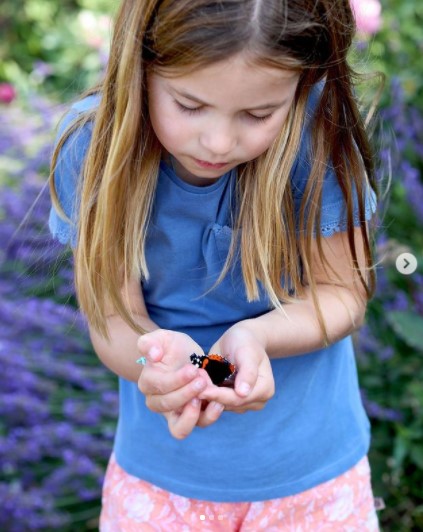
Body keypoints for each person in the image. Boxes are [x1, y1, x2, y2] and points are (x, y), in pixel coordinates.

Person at [49, 0, 381, 529]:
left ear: (304, 84)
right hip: (160, 486)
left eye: (257, 114)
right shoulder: (93, 146)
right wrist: (153, 360)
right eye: (189, 104)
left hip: (313, 481)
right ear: (142, 66)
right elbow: (113, 319)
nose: (219, 142)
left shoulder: (317, 137)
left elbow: (341, 292)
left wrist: (260, 337)